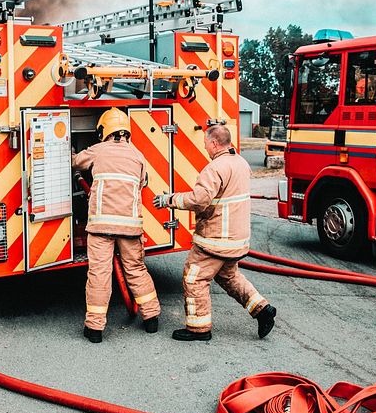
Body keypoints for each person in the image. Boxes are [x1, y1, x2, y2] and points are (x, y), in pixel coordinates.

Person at [154, 124, 276, 341]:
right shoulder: (240, 163)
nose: (205, 147)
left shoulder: (215, 168)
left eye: (205, 143)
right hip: (236, 240)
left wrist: (169, 200)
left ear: (214, 143)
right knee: (229, 276)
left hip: (216, 240)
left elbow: (199, 200)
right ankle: (262, 309)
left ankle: (198, 329)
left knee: (194, 278)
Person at [72, 108, 160, 344]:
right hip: (130, 227)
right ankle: (151, 318)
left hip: (101, 226)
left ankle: (94, 329)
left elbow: (76, 163)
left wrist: (71, 156)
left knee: (99, 274)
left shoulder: (98, 150)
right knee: (136, 269)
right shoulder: (137, 154)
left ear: (103, 130)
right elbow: (143, 182)